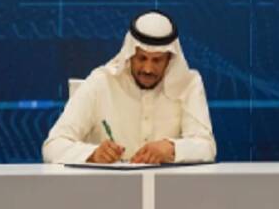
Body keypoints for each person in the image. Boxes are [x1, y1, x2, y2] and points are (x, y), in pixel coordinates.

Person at [42, 10, 216, 164]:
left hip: (169, 190)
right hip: (105, 189)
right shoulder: (101, 82)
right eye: (141, 58)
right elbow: (53, 146)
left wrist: (171, 148)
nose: (148, 69)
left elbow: (207, 147)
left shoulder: (188, 84)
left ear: (170, 59)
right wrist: (93, 154)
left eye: (157, 60)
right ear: (130, 54)